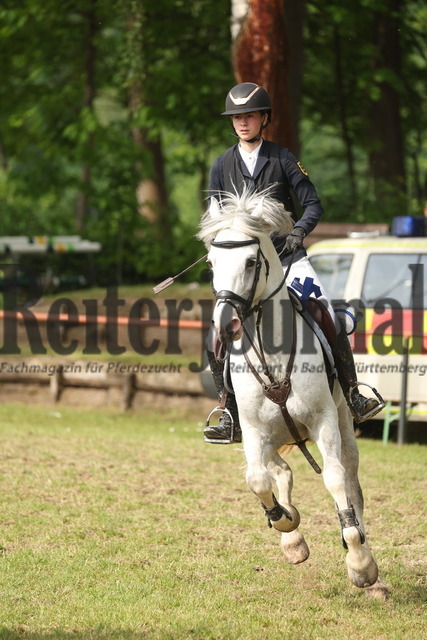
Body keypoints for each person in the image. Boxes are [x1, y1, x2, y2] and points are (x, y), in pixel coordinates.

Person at [203, 82, 384, 443]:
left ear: (263, 118)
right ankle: (228, 411)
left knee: (326, 313)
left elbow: (313, 204)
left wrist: (299, 231)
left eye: (249, 116)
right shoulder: (221, 165)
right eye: (237, 117)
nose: (242, 122)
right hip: (245, 267)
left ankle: (353, 393)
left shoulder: (283, 159)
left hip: (288, 259)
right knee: (218, 330)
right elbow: (213, 216)